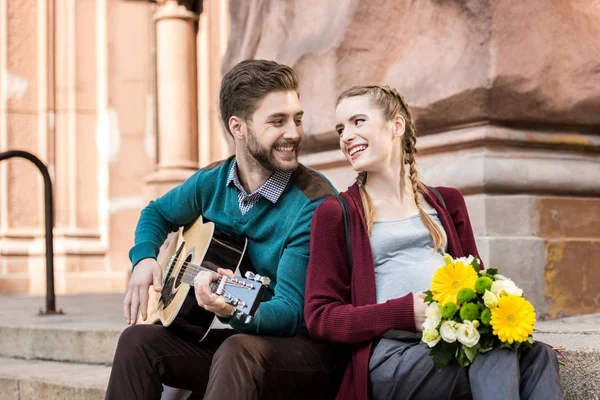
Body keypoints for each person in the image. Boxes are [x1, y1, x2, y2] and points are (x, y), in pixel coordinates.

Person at [304, 85, 563, 400]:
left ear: (396, 126)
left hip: (452, 342)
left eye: (358, 121)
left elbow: (478, 282)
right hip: (391, 357)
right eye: (340, 129)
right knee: (490, 349)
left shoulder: (446, 201)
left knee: (539, 356)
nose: (346, 136)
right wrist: (402, 313)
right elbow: (320, 317)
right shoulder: (336, 212)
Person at [105, 59, 343, 400]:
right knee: (137, 342)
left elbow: (290, 311)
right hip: (247, 349)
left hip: (306, 354)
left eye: (298, 119)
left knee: (237, 349)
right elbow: (156, 213)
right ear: (238, 126)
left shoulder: (313, 203)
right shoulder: (212, 182)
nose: (294, 132)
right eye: (277, 121)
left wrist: (231, 308)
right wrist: (144, 258)